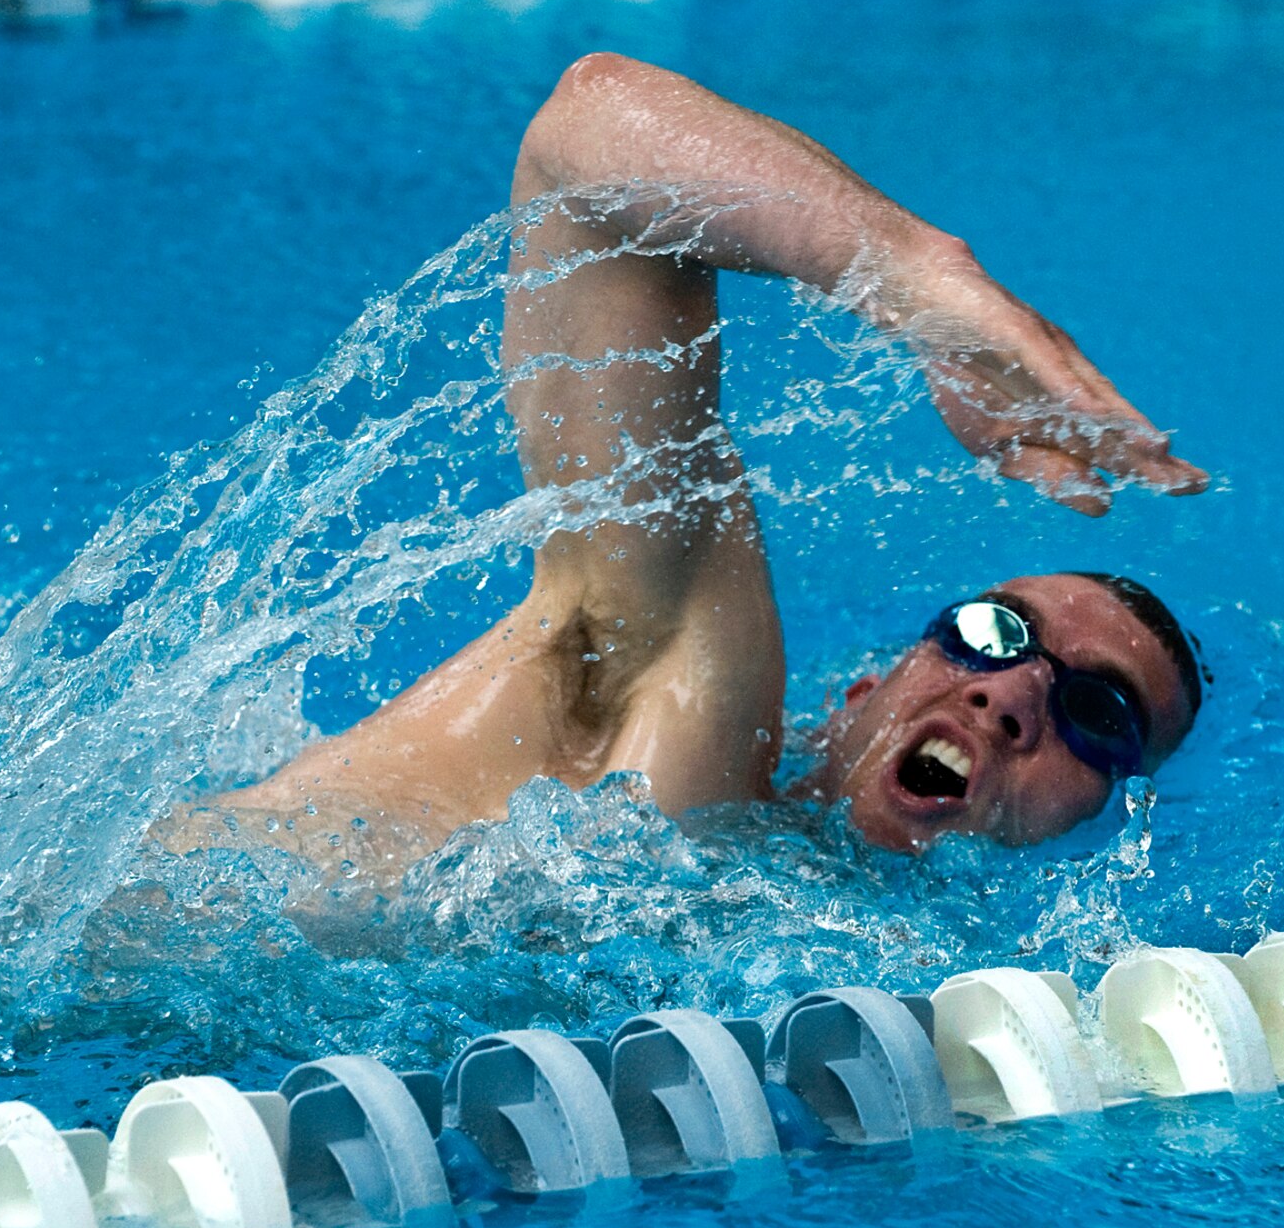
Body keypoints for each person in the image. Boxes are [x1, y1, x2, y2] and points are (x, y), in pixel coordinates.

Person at [155, 52, 1208, 874]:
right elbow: (583, 141)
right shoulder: (680, 703)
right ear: (853, 698)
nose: (1010, 690)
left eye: (1098, 712)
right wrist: (916, 284)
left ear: (1099, 820)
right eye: (990, 631)